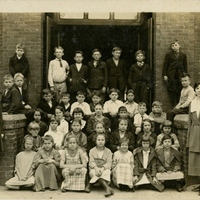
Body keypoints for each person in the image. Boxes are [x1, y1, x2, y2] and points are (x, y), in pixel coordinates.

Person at [163, 40, 188, 106]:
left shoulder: (183, 55)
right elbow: (165, 65)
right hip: (171, 75)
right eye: (172, 46)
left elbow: (185, 66)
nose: (174, 47)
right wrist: (165, 74)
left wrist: (185, 75)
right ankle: (174, 105)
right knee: (172, 90)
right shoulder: (168, 55)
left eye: (176, 45)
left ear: (179, 46)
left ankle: (179, 105)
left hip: (180, 75)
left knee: (180, 90)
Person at [187, 81, 200, 195]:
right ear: (195, 90)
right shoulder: (192, 103)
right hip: (195, 132)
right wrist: (189, 138)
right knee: (196, 158)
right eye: (198, 88)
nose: (199, 90)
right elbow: (190, 121)